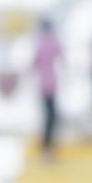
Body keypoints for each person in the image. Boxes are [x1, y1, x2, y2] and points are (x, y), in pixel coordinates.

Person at [32, 17, 62, 161]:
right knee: (51, 116)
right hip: (49, 83)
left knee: (49, 116)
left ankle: (47, 143)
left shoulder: (40, 43)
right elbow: (62, 57)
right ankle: (47, 144)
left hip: (44, 83)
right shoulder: (52, 42)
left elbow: (33, 62)